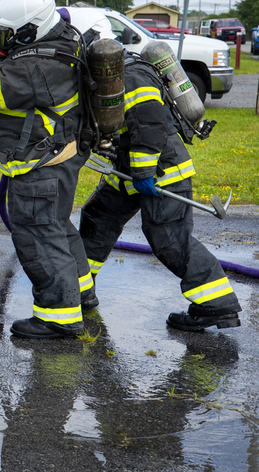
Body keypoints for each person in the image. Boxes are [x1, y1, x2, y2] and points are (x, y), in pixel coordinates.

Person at [0, 0, 95, 339]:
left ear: (29, 30)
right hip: (61, 155)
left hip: (42, 167)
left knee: (38, 235)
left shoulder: (36, 68)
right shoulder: (60, 40)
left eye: (5, 33)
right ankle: (81, 293)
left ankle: (57, 317)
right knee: (57, 226)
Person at [79, 50, 242, 331]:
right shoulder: (102, 78)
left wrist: (143, 172)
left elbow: (150, 123)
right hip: (128, 166)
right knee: (98, 217)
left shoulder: (131, 76)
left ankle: (217, 304)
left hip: (161, 168)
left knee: (170, 238)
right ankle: (79, 287)